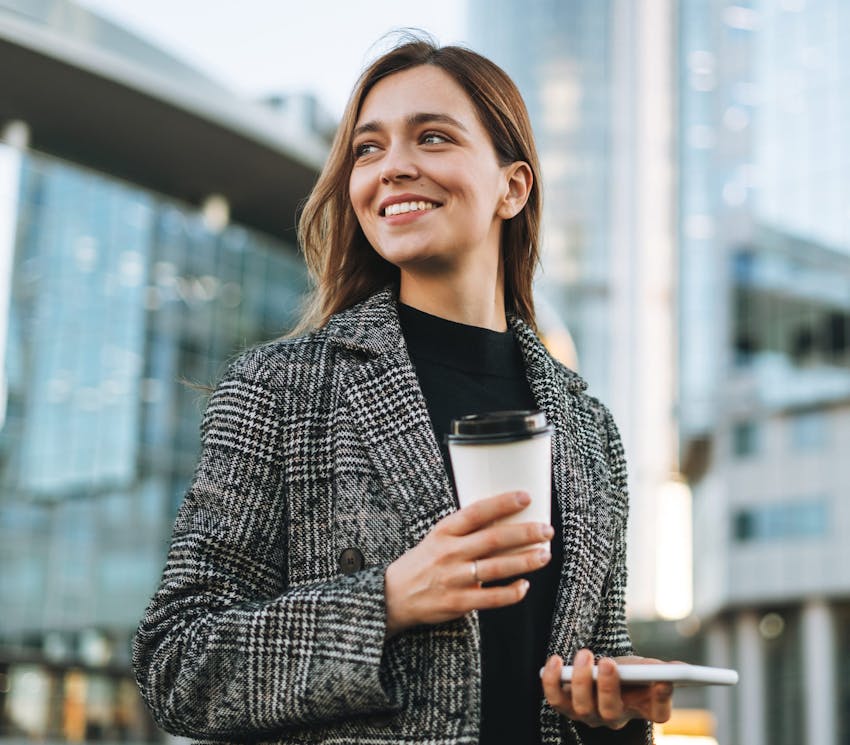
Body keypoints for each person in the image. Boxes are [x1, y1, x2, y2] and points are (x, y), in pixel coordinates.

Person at [132, 35, 674, 745]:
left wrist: (614, 707)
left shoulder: (591, 428)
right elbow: (177, 664)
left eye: (433, 137)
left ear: (513, 186)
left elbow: (594, 674)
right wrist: (387, 600)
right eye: (368, 148)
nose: (393, 167)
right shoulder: (280, 389)